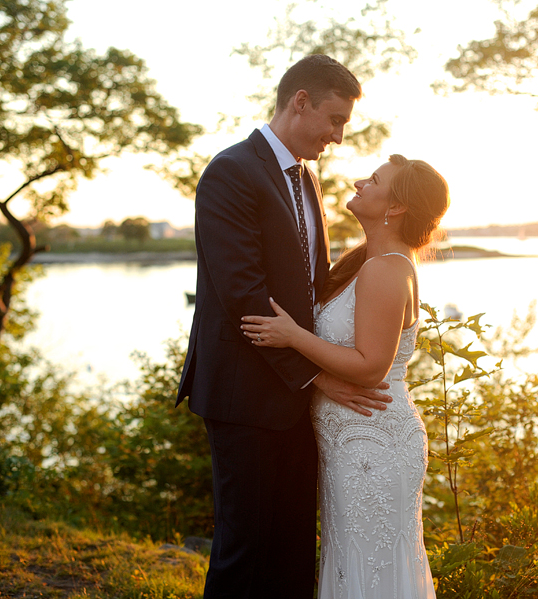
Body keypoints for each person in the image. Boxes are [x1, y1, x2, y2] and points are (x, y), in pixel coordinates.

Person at [175, 55, 391, 599]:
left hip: (298, 399)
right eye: (335, 119)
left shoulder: (305, 178)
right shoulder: (231, 172)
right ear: (300, 102)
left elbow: (311, 287)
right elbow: (243, 294)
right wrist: (316, 375)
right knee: (245, 550)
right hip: (243, 395)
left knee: (294, 548)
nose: (339, 136)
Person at [241, 154, 450, 598]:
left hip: (374, 439)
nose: (359, 182)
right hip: (352, 442)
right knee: (351, 565)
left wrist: (294, 337)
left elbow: (372, 367)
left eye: (373, 180)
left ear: (396, 208)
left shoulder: (386, 269)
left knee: (371, 569)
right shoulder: (366, 262)